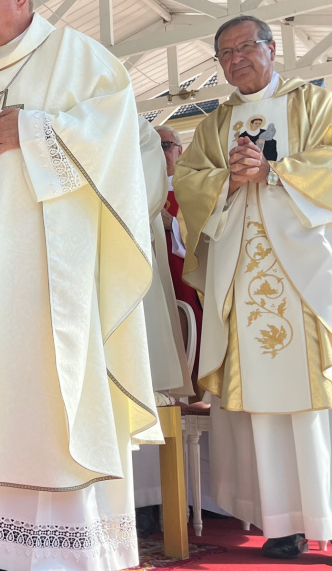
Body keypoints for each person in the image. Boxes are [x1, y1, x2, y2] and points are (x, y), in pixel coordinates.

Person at [0, 0, 161, 571]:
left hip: (52, 267)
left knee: (49, 387)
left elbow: (115, 137)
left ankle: (63, 550)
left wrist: (35, 126)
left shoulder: (80, 56)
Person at [174, 15, 332, 569]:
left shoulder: (317, 105)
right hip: (248, 285)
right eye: (224, 54)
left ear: (271, 47)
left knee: (329, 407)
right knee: (261, 407)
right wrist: (226, 181)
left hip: (312, 283)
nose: (236, 59)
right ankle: (281, 524)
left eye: (245, 47)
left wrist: (275, 171)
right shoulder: (214, 125)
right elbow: (190, 180)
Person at [132, 120, 193, 536]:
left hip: (134, 246)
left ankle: (151, 501)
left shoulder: (138, 132)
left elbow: (145, 196)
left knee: (144, 377)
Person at [157, 124, 205, 380]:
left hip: (184, 275)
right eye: (150, 146)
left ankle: (193, 390)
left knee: (189, 326)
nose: (158, 152)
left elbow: (205, 232)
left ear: (180, 150)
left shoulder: (194, 186)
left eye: (164, 146)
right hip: (153, 275)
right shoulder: (137, 189)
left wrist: (172, 224)